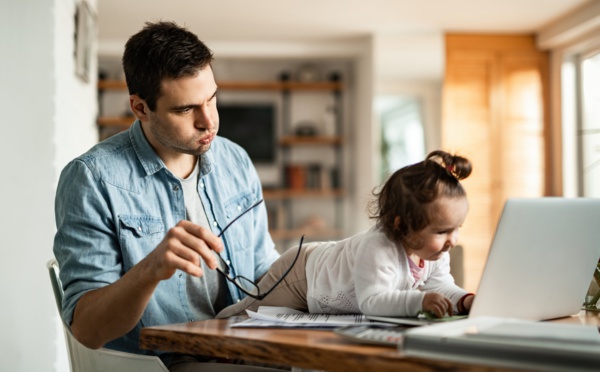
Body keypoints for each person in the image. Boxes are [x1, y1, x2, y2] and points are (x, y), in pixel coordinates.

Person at [53, 21, 281, 370]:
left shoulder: (235, 160)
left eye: (212, 99)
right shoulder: (92, 179)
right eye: (185, 109)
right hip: (163, 363)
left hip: (244, 349)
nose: (209, 121)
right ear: (141, 108)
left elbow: (263, 270)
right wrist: (150, 271)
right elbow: (87, 329)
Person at [217, 150, 475, 319]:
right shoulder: (379, 247)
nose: (452, 241)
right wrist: (420, 301)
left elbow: (441, 286)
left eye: (457, 229)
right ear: (402, 225)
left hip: (322, 289)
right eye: (442, 231)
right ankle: (208, 332)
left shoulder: (434, 252)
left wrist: (464, 300)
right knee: (249, 313)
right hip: (303, 274)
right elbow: (372, 301)